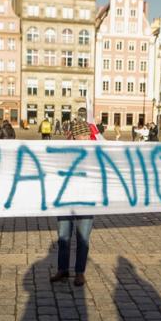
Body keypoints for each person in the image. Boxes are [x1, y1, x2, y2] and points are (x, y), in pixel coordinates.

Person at [50, 118, 95, 287]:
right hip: (65, 200)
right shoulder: (64, 152)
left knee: (83, 238)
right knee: (63, 237)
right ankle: (63, 269)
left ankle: (80, 272)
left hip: (87, 200)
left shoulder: (95, 152)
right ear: (74, 137)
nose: (85, 138)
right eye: (81, 135)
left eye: (87, 135)